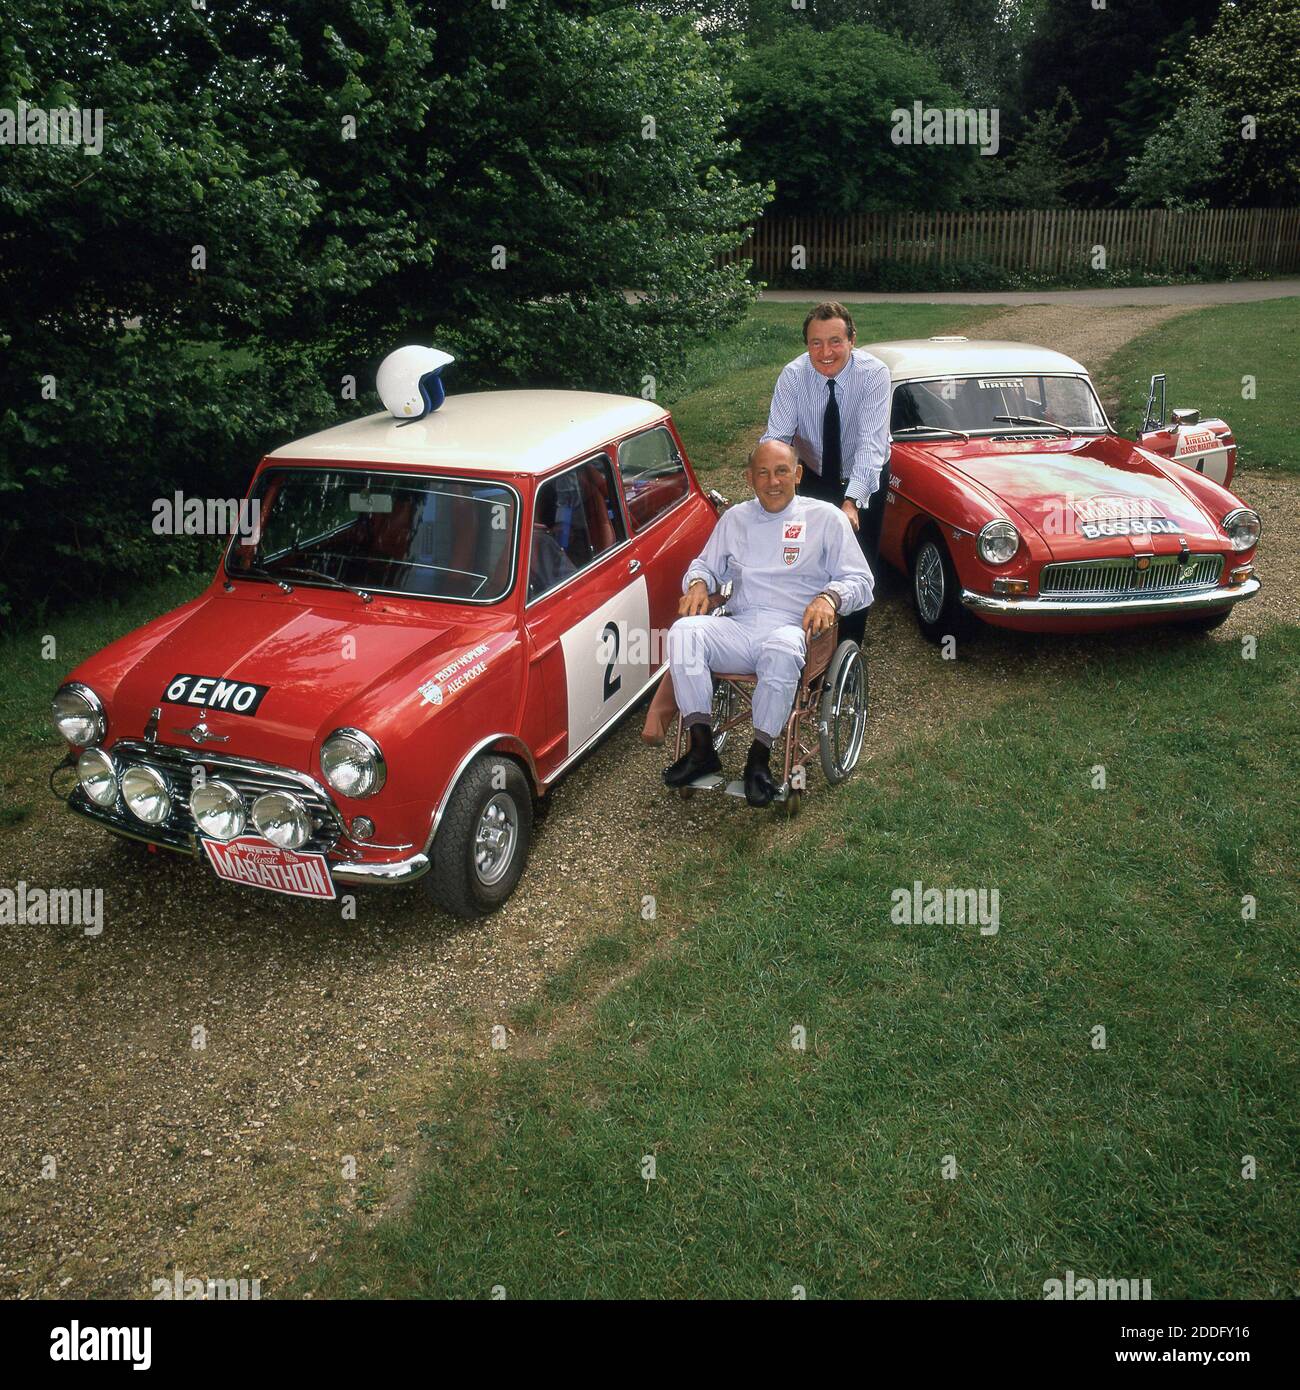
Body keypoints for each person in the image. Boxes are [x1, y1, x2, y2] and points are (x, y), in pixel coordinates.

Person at [662, 440, 872, 807]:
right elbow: (705, 566)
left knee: (781, 648)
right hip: (740, 624)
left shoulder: (826, 518)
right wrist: (698, 584)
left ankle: (758, 759)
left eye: (781, 471)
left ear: (798, 474)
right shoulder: (735, 519)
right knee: (683, 633)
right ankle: (701, 748)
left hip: (793, 627)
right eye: (763, 472)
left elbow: (861, 580)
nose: (773, 482)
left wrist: (830, 598)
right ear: (750, 478)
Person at [760, 301, 890, 642]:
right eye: (816, 343)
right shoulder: (793, 375)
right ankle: (811, 638)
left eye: (835, 341)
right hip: (815, 474)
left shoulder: (875, 374)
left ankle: (850, 645)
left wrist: (852, 502)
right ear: (807, 345)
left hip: (864, 474)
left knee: (857, 564)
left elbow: (871, 445)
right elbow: (778, 436)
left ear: (852, 340)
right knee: (809, 556)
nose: (825, 352)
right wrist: (769, 482)